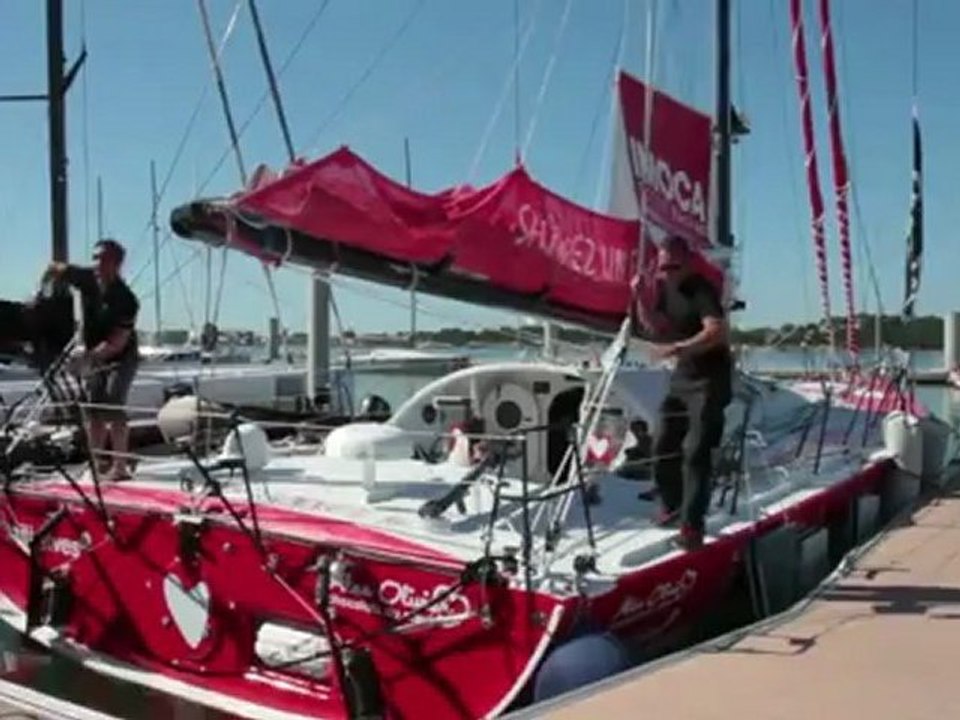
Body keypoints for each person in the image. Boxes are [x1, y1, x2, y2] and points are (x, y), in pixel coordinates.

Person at [630, 235, 733, 550]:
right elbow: (654, 327)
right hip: (682, 378)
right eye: (663, 268)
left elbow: (716, 331)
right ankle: (672, 508)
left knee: (695, 452)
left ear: (687, 261)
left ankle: (692, 527)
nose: (668, 273)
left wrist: (679, 347)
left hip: (709, 379)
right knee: (661, 444)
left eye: (673, 266)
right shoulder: (665, 288)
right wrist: (639, 299)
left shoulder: (700, 289)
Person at [46, 239, 140, 480]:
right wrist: (44, 287)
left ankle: (120, 466)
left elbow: (116, 343)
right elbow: (56, 268)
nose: (97, 263)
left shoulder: (127, 300)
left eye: (104, 259)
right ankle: (96, 463)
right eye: (95, 257)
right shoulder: (86, 278)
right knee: (92, 408)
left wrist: (86, 359)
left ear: (117, 264)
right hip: (93, 352)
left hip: (122, 357)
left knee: (113, 402)